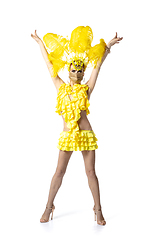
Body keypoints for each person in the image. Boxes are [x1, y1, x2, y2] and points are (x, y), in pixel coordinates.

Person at [31, 26, 123, 226]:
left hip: (86, 134)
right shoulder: (60, 87)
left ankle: (98, 210)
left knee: (91, 172)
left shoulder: (87, 88)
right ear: (69, 69)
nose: (78, 71)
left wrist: (106, 46)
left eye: (81, 69)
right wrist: (40, 43)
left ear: (83, 72)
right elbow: (49, 65)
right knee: (59, 172)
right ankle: (49, 206)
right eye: (74, 69)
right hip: (67, 135)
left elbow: (97, 65)